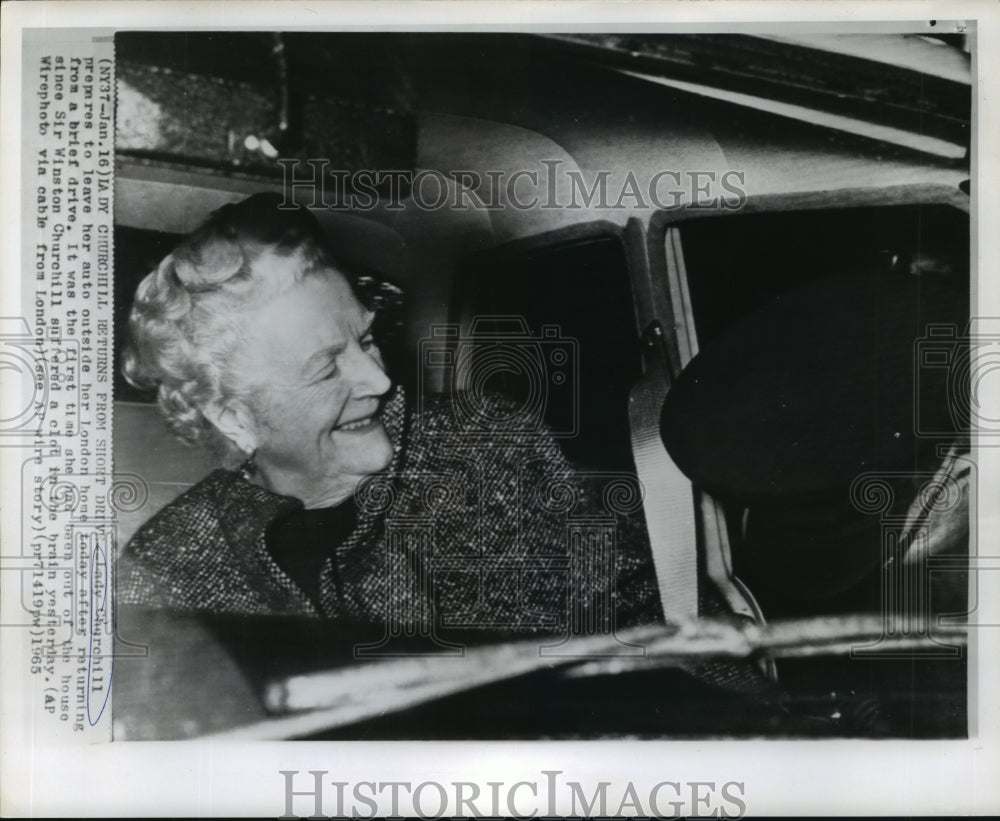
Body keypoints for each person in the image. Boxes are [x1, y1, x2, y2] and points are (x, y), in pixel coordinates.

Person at [116, 193, 662, 637]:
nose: (378, 380)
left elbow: (658, 626)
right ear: (232, 417)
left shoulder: (488, 443)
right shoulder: (168, 568)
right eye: (327, 367)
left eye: (367, 339)